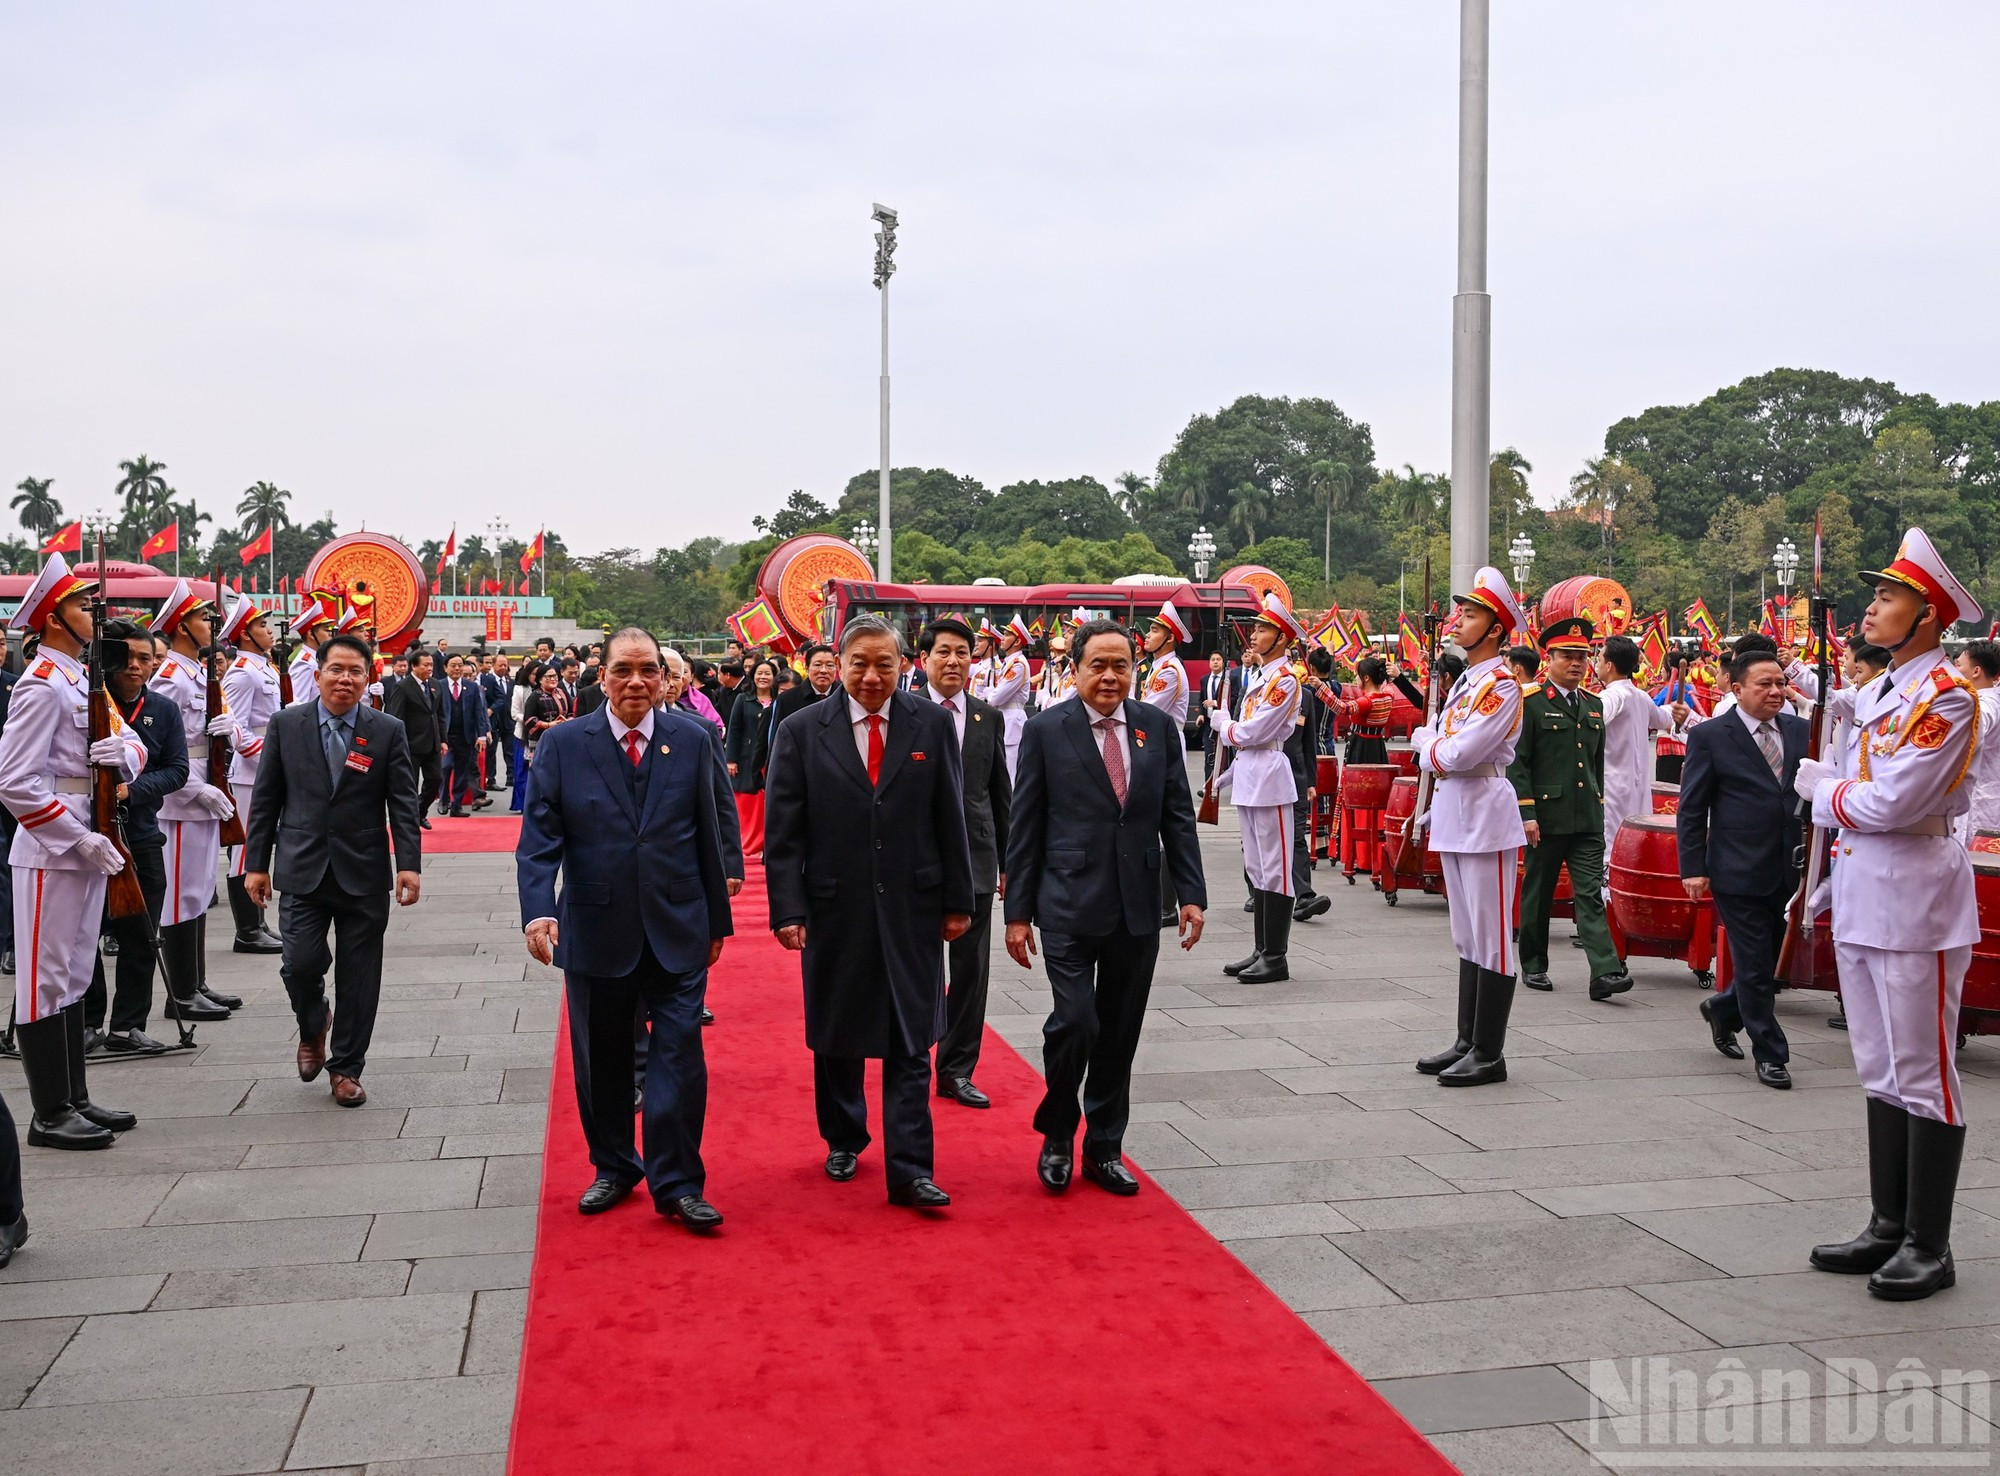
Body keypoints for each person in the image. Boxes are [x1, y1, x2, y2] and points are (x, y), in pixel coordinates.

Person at [1798, 529, 1981, 1301]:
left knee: (1925, 1071)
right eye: (1874, 596)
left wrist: (1824, 791)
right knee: (1879, 1067)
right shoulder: (1878, 693)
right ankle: (1887, 1223)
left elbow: (1894, 802)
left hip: (1915, 899)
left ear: (1927, 615)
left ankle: (1929, 1245)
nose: (1870, 609)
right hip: (1864, 891)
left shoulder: (1946, 699)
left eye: (1886, 597)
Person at [517, 629, 733, 1230]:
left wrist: (717, 920)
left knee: (679, 1057)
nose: (636, 682)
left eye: (648, 670)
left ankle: (679, 1182)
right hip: (595, 926)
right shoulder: (564, 743)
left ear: (663, 677)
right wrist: (538, 910)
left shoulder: (694, 739)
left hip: (678, 925)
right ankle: (613, 1166)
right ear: (602, 676)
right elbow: (539, 838)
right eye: (623, 670)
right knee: (602, 1060)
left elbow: (711, 833)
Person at [764, 614, 973, 1210]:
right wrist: (788, 909)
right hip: (834, 906)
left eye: (885, 664)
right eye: (860, 663)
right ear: (838, 665)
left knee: (913, 1035)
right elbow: (784, 832)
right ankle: (844, 1136)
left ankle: (911, 1169)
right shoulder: (802, 730)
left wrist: (958, 900)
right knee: (837, 1033)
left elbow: (950, 816)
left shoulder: (931, 723)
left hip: (913, 905)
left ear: (904, 665)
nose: (872, 676)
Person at [1005, 618, 1206, 1194]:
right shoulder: (1046, 730)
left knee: (1119, 1032)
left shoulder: (1154, 728)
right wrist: (1017, 913)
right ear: (1075, 670)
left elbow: (1177, 814)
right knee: (1076, 1021)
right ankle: (1057, 1132)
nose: (1110, 676)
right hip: (1066, 901)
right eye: (1098, 665)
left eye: (1122, 665)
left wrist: (1191, 894)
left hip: (1138, 904)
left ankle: (1103, 1147)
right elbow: (1025, 825)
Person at [0, 556, 149, 1148]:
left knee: (76, 971)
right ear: (53, 619)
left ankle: (75, 1097)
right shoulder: (40, 684)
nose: (94, 612)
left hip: (94, 837)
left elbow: (134, 743)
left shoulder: (81, 679)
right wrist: (75, 836)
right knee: (45, 978)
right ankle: (49, 1112)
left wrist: (123, 755)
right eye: (82, 606)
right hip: (53, 848)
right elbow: (15, 782)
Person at [244, 633, 421, 1106]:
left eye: (355, 671)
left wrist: (408, 864)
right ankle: (313, 1022)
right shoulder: (286, 724)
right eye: (336, 669)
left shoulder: (386, 729)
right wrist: (255, 864)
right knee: (300, 964)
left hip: (364, 870)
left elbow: (403, 802)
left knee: (360, 975)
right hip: (302, 867)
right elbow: (266, 798)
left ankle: (346, 1067)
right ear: (318, 674)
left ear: (368, 678)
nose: (345, 679)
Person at [1411, 566, 1529, 1087]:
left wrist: (1425, 745)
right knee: (1467, 933)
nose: (1458, 621)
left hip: (1484, 813)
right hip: (1457, 810)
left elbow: (1457, 753)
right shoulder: (1467, 681)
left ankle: (1489, 1053)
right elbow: (1450, 751)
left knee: (1492, 936)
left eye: (1471, 615)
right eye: (1460, 613)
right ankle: (1468, 1040)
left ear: (1496, 630)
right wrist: (1436, 749)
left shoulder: (1500, 686)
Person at [1677, 646, 1806, 1090]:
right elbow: (1692, 807)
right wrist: (1693, 867)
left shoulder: (1802, 730)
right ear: (1737, 689)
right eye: (1764, 684)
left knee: (1770, 964)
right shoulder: (1712, 735)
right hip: (1736, 868)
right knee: (1753, 964)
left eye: (1780, 683)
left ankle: (1723, 1008)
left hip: (1790, 867)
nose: (1775, 691)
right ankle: (1770, 1053)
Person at [81, 621, 190, 1054]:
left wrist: (130, 790)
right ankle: (88, 1021)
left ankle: (128, 1026)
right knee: (85, 934)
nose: (135, 666)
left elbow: (177, 769)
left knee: (142, 934)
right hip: (88, 834)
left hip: (141, 832)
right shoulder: (89, 700)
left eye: (145, 658)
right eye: (126, 657)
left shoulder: (163, 709)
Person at [1510, 618, 1631, 1000]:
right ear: (1549, 658)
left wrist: (1598, 803)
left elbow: (1596, 765)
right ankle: (1533, 964)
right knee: (1538, 893)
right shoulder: (1530, 703)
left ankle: (1605, 971)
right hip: (1546, 819)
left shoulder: (1593, 705)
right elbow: (1518, 763)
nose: (1577, 663)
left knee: (1590, 893)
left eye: (1583, 656)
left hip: (1586, 819)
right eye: (1567, 656)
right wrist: (1527, 814)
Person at [919, 618, 1011, 1110]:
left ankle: (957, 1069)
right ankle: (913, 1057)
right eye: (944, 652)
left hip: (975, 858)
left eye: (962, 653)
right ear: (924, 659)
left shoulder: (986, 717)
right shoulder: (904, 710)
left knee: (971, 971)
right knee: (919, 966)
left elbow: (1000, 794)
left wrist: (1008, 862)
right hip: (918, 862)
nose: (953, 661)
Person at [149, 578, 247, 1021]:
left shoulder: (199, 673)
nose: (212, 624)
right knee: (180, 895)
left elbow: (222, 731)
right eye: (203, 619)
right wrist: (195, 789)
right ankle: (181, 993)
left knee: (200, 890)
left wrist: (230, 732)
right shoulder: (170, 678)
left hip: (208, 793)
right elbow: (159, 750)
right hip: (183, 802)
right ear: (182, 628)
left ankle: (197, 982)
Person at [1211, 593, 1308, 984]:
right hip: (1251, 776)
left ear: (1281, 638)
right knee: (1257, 868)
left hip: (1270, 778)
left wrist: (1223, 725)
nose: (1253, 635)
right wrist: (1227, 774)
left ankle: (1275, 956)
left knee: (1276, 869)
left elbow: (1254, 732)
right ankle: (1261, 948)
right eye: (1255, 628)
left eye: (1263, 630)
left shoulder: (1284, 680)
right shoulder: (1262, 677)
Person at [219, 594, 285, 953]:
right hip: (250, 772)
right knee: (244, 849)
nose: (269, 630)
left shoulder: (264, 667)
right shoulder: (243, 673)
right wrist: (269, 757)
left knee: (259, 845)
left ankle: (257, 922)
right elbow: (236, 728)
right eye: (261, 625)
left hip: (265, 767)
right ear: (245, 634)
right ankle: (246, 930)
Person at [1598, 634, 1675, 873]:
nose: (1597, 664)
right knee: (1635, 848)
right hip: (1637, 789)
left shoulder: (1610, 697)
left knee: (1612, 851)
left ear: (1609, 665)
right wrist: (1674, 709)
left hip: (1613, 788)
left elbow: (1592, 723)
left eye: (1599, 659)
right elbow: (1664, 719)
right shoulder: (1641, 696)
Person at [1140, 599, 1193, 925]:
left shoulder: (1170, 671)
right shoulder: (1158, 667)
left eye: (1155, 630)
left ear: (1170, 637)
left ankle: (1167, 906)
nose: (1148, 634)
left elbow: (1147, 710)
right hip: (1156, 745)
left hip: (1164, 746)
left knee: (1165, 824)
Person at [724, 657, 778, 860]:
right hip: (747, 758)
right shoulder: (742, 699)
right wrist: (731, 760)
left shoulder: (779, 700)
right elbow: (734, 730)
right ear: (752, 676)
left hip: (772, 758)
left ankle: (764, 844)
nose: (763, 677)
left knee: (767, 803)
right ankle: (747, 845)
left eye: (767, 673)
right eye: (759, 673)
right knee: (748, 803)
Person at [385, 651, 442, 827]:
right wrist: (398, 744)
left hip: (432, 743)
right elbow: (396, 716)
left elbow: (439, 714)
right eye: (426, 665)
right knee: (410, 785)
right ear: (414, 666)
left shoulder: (435, 684)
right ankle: (409, 819)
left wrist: (443, 739)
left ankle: (420, 811)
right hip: (411, 745)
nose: (430, 668)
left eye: (431, 665)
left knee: (435, 780)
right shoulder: (402, 687)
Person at [1953, 640, 2000, 840]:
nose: (1953, 670)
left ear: (1976, 671)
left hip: (1982, 803)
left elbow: (1979, 724)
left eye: (1958, 665)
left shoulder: (1986, 704)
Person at [439, 655, 492, 817]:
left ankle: (457, 805)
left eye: (459, 665)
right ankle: (443, 799)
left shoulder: (472, 687)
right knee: (446, 767)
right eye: (453, 665)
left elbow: (479, 712)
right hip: (445, 737)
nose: (457, 668)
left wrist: (481, 735)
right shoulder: (438, 686)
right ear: (445, 668)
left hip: (465, 736)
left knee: (462, 771)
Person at [988, 615, 1033, 779]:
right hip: (1005, 718)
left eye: (1007, 635)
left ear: (1017, 641)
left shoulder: (1018, 665)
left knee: (1011, 772)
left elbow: (995, 698)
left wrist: (988, 692)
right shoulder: (1009, 662)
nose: (1002, 638)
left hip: (1012, 720)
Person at [287, 589, 340, 704]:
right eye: (326, 630)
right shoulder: (305, 664)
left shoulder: (316, 659)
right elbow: (299, 704)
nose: (330, 634)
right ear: (311, 634)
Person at [483, 653, 515, 791]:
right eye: (500, 665)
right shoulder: (487, 680)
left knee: (510, 750)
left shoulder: (511, 682)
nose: (503, 667)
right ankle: (490, 778)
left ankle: (511, 777)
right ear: (493, 665)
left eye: (505, 665)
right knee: (491, 752)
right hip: (492, 720)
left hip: (508, 721)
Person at [1198, 651, 1226, 780]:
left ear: (1223, 662)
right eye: (1213, 659)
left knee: (1225, 757)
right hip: (1208, 724)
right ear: (1209, 663)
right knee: (1209, 756)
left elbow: (1233, 698)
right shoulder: (1204, 679)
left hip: (1223, 724)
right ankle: (1207, 785)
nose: (1215, 662)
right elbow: (1201, 698)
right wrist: (1201, 714)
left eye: (1218, 659)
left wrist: (1215, 703)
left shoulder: (1227, 680)